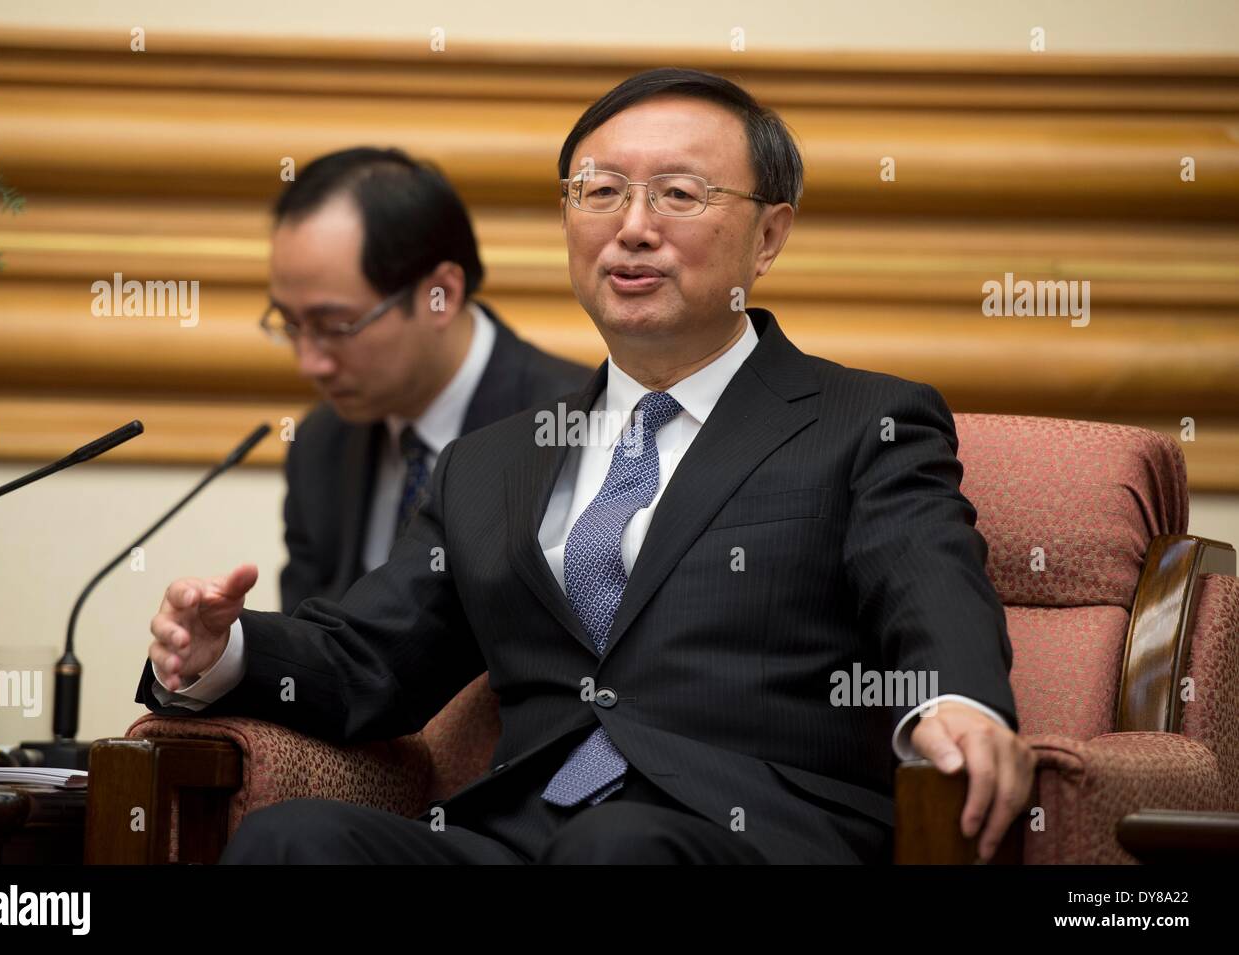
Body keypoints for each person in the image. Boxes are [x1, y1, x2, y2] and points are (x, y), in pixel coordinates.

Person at [138, 68, 1035, 864]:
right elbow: (370, 656)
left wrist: (959, 702)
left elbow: (930, 584)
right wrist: (226, 649)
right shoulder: (490, 463)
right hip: (523, 833)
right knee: (294, 839)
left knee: (619, 845)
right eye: (599, 191)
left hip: (751, 835)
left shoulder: (862, 421)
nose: (632, 228)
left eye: (679, 194)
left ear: (768, 237)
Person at [263, 147, 589, 612]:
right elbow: (311, 649)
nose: (310, 363)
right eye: (290, 324)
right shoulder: (321, 444)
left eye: (335, 326)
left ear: (442, 294)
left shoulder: (574, 429)